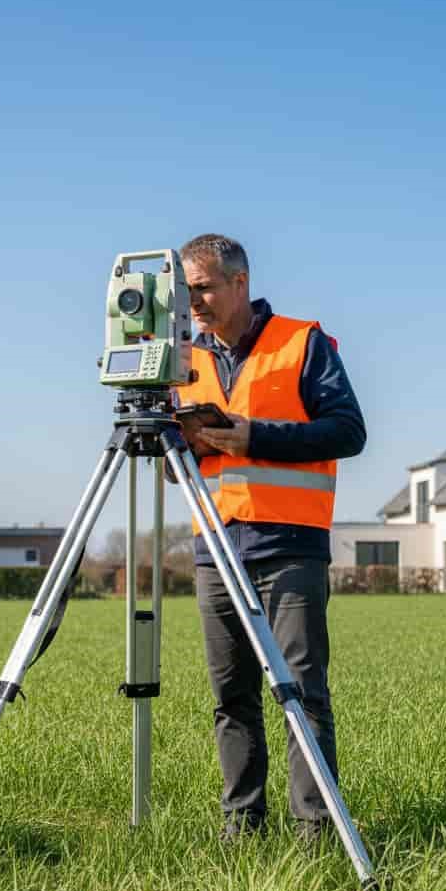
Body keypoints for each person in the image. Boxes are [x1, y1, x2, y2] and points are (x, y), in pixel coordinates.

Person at [174, 233, 366, 842]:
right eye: (185, 290)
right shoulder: (185, 358)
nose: (192, 301)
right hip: (216, 547)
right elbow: (175, 455)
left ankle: (317, 829)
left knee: (304, 693)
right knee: (231, 697)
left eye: (202, 287)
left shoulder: (302, 342)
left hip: (289, 544)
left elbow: (347, 431)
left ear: (239, 283)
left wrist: (256, 436)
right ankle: (242, 827)